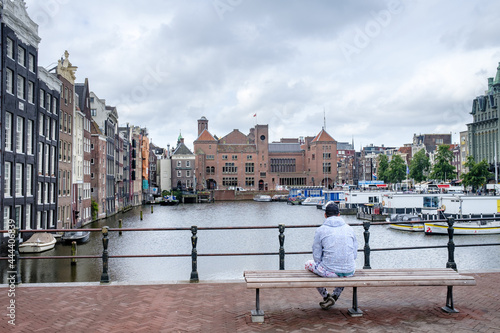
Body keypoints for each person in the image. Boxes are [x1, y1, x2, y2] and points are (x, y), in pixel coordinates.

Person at [305, 201, 358, 310]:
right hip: (350, 271)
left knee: (308, 265)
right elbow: (354, 254)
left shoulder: (321, 230)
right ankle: (335, 295)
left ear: (325, 215)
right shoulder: (350, 229)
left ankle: (326, 296)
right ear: (339, 214)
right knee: (342, 269)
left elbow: (316, 256)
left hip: (330, 271)